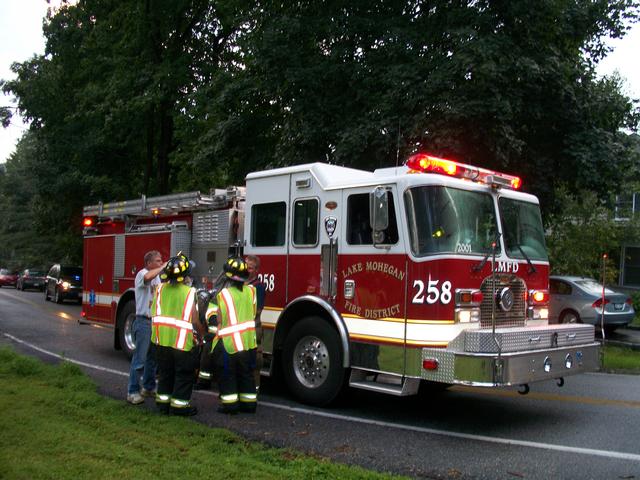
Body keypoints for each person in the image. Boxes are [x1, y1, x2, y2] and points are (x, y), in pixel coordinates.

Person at [151, 254, 205, 416]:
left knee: (165, 373)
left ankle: (163, 404)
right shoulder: (189, 292)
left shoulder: (159, 289)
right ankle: (179, 407)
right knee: (183, 375)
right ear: (185, 275)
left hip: (161, 340)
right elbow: (195, 320)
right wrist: (201, 335)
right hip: (182, 342)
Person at [212, 257, 258, 414]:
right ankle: (249, 404)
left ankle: (230, 406)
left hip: (229, 343)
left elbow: (220, 317)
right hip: (247, 342)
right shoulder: (252, 291)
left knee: (228, 375)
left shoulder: (224, 294)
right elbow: (252, 313)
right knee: (246, 374)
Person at [126, 250, 164, 405]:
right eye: (158, 260)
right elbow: (149, 277)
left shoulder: (158, 278)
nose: (161, 263)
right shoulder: (142, 274)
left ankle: (148, 387)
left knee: (152, 359)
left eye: (161, 260)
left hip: (154, 322)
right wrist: (164, 267)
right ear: (149, 263)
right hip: (143, 322)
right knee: (139, 359)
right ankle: (132, 391)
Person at [245, 254, 266, 390]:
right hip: (241, 329)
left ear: (257, 270)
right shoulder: (240, 284)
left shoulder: (258, 287)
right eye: (246, 266)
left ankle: (254, 391)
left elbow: (257, 311)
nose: (247, 270)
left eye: (251, 268)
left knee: (255, 362)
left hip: (253, 329)